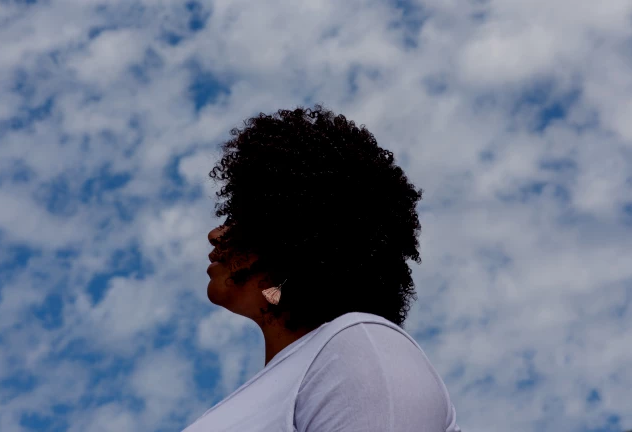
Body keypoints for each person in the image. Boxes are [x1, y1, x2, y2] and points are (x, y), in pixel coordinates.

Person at [182, 105, 461, 432]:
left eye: (238, 221)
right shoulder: (294, 379)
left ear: (290, 238)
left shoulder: (359, 349)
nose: (215, 235)